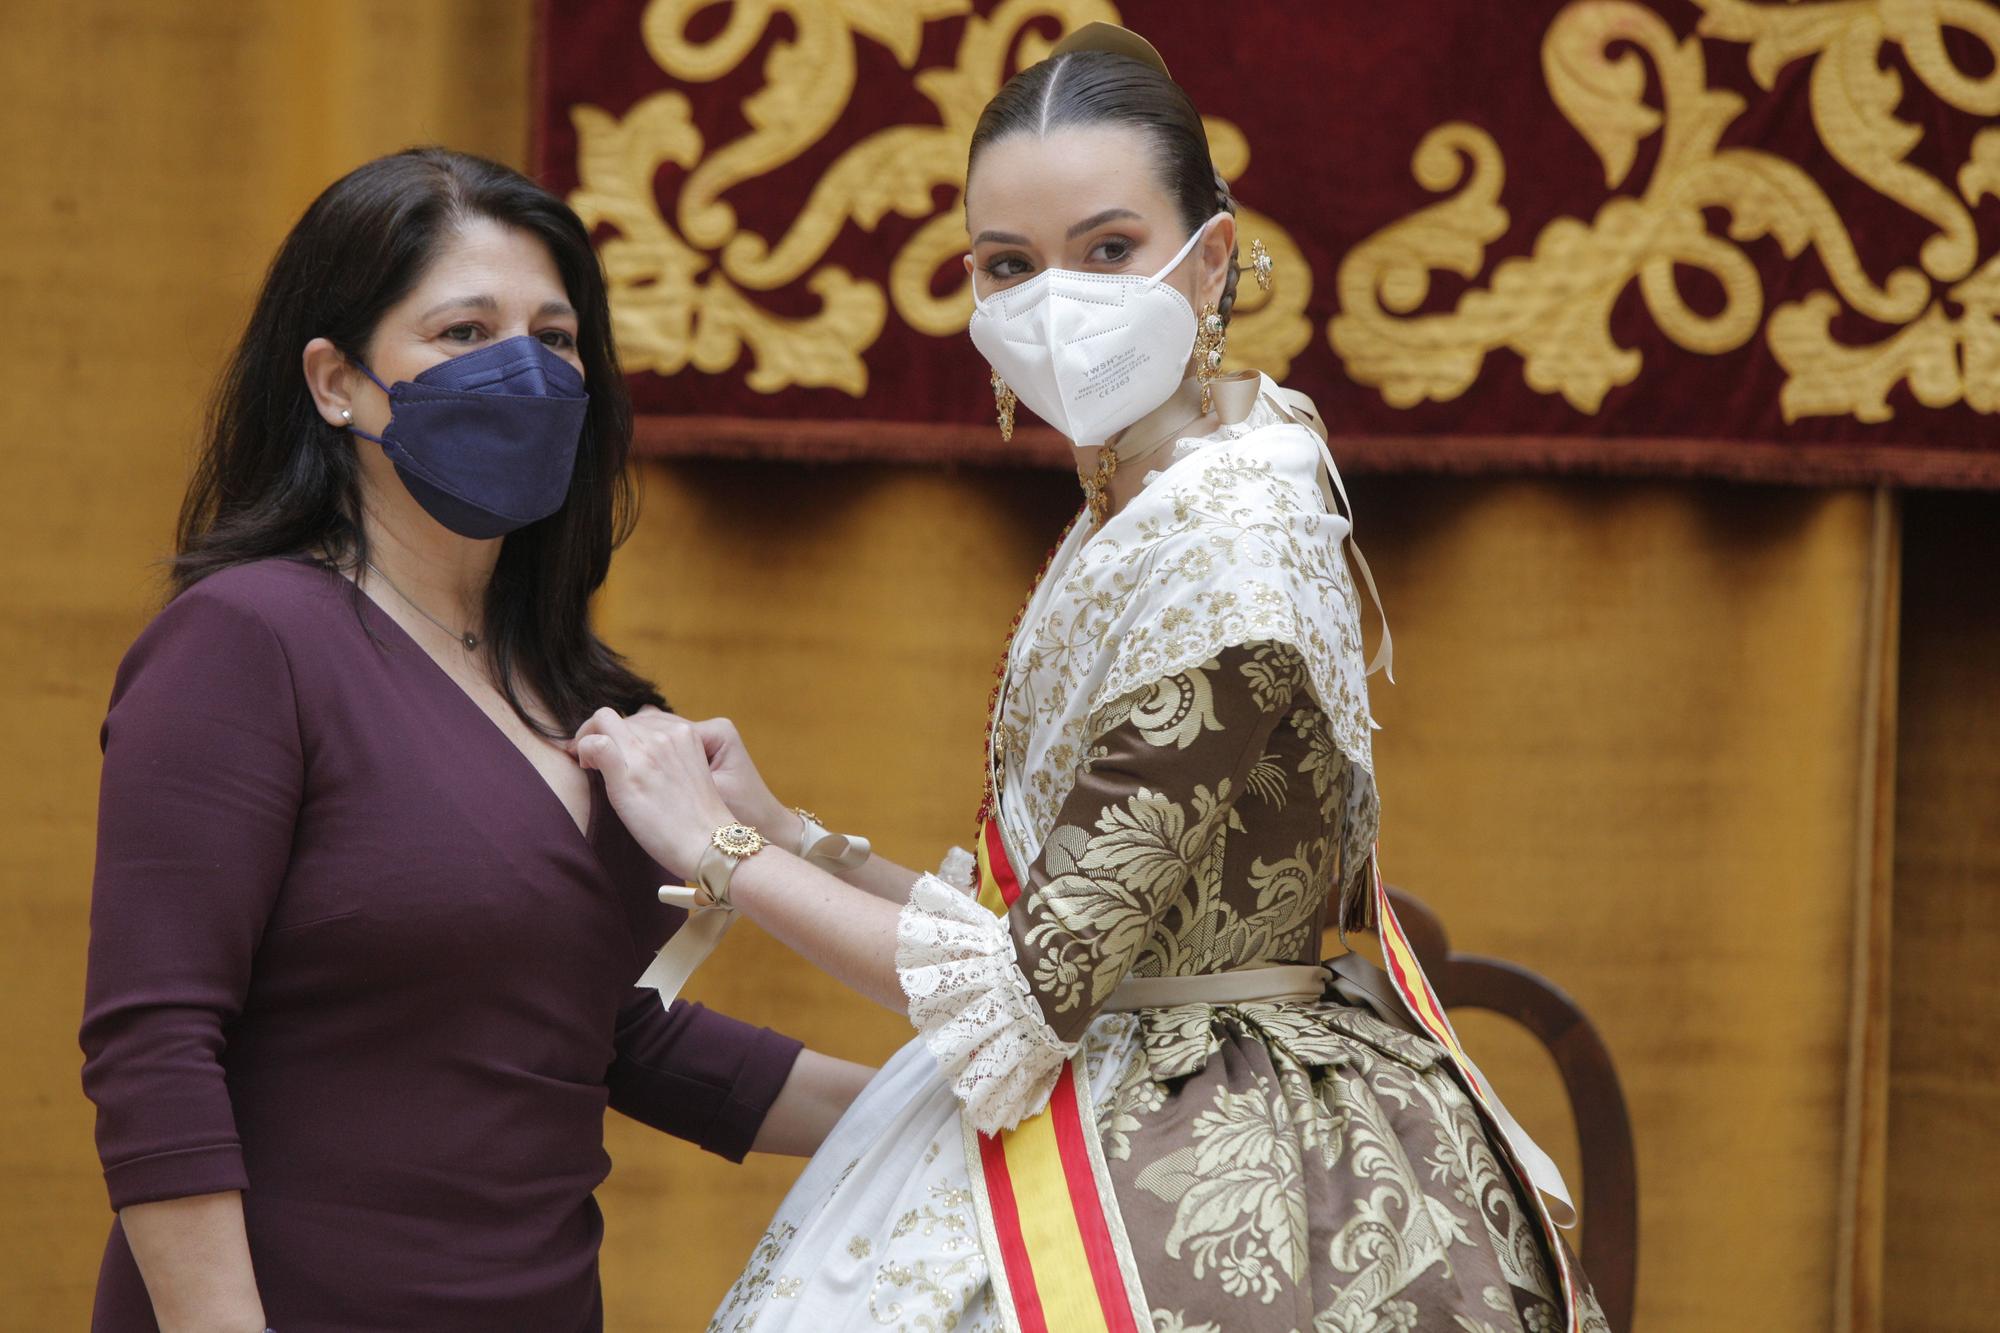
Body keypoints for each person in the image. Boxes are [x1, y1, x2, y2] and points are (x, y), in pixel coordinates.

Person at [573, 24, 1610, 1333]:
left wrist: (719, 848)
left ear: (1214, 257)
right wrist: (793, 837)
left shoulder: (1226, 548)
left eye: (1109, 249)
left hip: (1219, 1143)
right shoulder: (1158, 487)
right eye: (1010, 266)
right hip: (1120, 1069)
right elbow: (1043, 933)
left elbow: (1020, 998)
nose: (1056, 299)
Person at [78, 147, 873, 1333]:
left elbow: (600, 1034)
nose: (523, 371)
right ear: (336, 382)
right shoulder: (249, 639)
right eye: (463, 333)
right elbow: (154, 1049)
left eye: (555, 339)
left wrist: (971, 1113)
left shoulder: (581, 689)